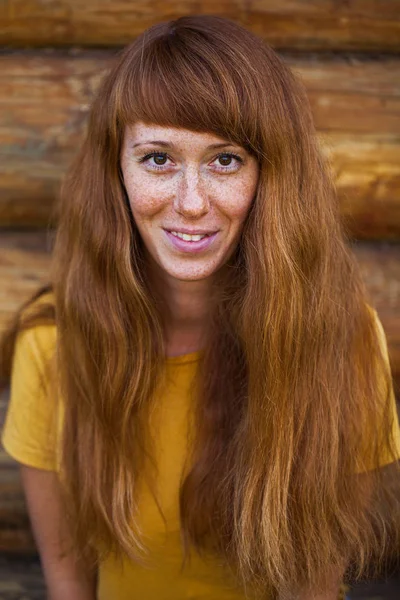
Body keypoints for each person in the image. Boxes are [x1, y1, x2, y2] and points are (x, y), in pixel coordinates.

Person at [1, 14, 400, 600]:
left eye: (225, 160)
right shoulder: (54, 345)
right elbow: (69, 589)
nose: (191, 204)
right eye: (158, 158)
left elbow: (313, 587)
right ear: (118, 171)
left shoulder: (342, 338)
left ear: (270, 177)